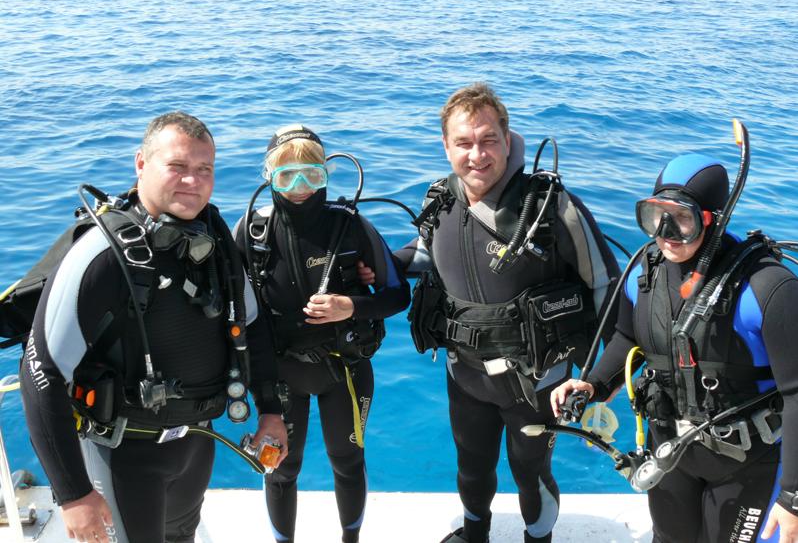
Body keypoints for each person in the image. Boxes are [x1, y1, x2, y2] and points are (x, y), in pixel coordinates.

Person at [19, 111, 287, 543]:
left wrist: (270, 409)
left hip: (196, 441)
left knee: (183, 536)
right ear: (141, 163)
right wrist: (73, 494)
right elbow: (41, 375)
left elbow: (251, 326)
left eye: (205, 169)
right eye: (177, 166)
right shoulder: (102, 255)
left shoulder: (216, 240)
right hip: (123, 455)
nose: (192, 181)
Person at [390, 83, 620, 543]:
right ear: (446, 146)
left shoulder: (553, 208)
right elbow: (429, 252)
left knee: (531, 473)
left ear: (507, 139)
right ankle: (475, 536)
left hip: (537, 382)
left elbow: (606, 288)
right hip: (464, 375)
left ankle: (538, 540)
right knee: (471, 468)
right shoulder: (440, 200)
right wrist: (378, 265)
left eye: (488, 140)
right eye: (464, 142)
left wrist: (601, 378)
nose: (477, 155)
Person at [551, 152, 798, 542]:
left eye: (681, 218)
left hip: (748, 463)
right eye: (655, 215)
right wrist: (593, 384)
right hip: (671, 449)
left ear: (711, 219)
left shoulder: (769, 289)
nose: (664, 231)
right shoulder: (643, 273)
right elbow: (628, 338)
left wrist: (792, 495)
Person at [235, 124, 409, 543]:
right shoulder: (252, 234)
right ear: (268, 177)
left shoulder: (351, 227)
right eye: (286, 176)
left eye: (311, 176)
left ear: (326, 175)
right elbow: (235, 313)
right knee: (280, 468)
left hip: (344, 369)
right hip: (281, 374)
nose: (300, 189)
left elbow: (398, 294)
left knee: (347, 462)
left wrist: (352, 306)